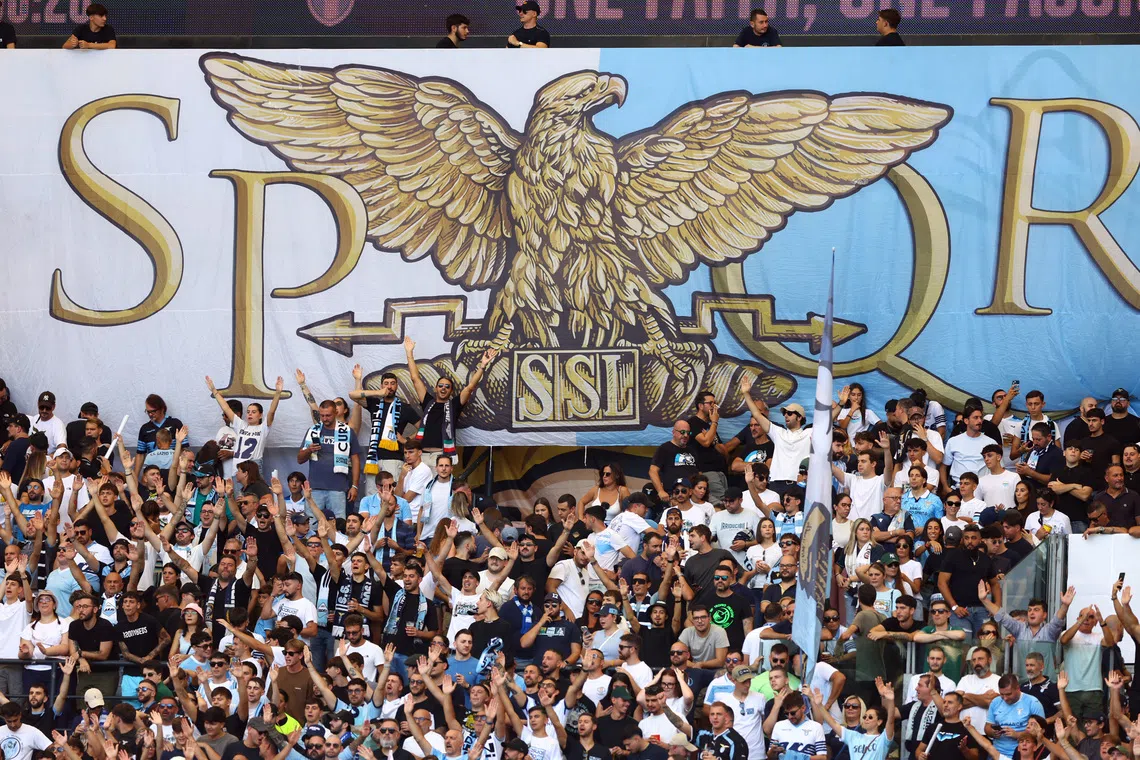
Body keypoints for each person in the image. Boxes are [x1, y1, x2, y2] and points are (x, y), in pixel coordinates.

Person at [403, 336, 495, 466]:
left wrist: (482, 366)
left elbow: (470, 387)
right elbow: (415, 378)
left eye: (447, 387)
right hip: (421, 456)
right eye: (440, 385)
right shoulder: (428, 401)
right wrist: (409, 353)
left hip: (442, 457)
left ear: (451, 391)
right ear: (436, 388)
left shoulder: (454, 405)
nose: (443, 388)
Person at [740, 378, 811, 494]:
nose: (785, 416)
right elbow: (757, 415)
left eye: (789, 413)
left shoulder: (808, 433)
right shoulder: (778, 432)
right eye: (784, 413)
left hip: (799, 484)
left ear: (799, 418)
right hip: (776, 485)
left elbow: (826, 422)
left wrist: (841, 404)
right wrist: (746, 394)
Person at [297, 399, 361, 519]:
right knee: (312, 524)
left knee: (339, 525)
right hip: (315, 488)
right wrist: (309, 450)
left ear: (336, 412)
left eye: (328, 415)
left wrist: (355, 486)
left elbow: (355, 459)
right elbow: (300, 459)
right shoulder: (313, 431)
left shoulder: (347, 431)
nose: (325, 418)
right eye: (322, 415)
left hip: (338, 488)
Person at [809, 678, 894, 760]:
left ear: (879, 722)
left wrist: (890, 701)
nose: (866, 719)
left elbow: (890, 721)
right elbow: (833, 723)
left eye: (870, 717)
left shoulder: (883, 739)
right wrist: (819, 705)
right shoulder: (854, 736)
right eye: (865, 717)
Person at [688, 391, 728, 503]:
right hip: (707, 471)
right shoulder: (693, 423)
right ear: (700, 406)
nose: (714, 406)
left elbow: (722, 448)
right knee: (722, 502)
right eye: (710, 403)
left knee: (726, 500)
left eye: (715, 403)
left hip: (721, 472)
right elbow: (705, 442)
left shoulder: (709, 426)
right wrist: (715, 422)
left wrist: (712, 439)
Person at [649, 423, 700, 503]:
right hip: (674, 496)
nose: (686, 435)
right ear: (673, 432)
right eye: (682, 432)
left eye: (688, 433)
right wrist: (661, 491)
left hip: (692, 496)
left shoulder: (692, 451)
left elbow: (699, 472)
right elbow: (653, 471)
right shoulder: (664, 448)